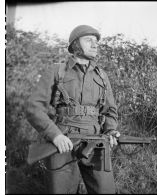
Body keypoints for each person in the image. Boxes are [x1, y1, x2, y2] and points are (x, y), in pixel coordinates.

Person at [26, 24, 120, 194]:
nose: (95, 44)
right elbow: (34, 107)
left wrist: (111, 131)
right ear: (75, 44)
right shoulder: (56, 71)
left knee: (106, 190)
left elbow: (110, 111)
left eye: (96, 41)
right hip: (63, 142)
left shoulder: (102, 75)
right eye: (88, 40)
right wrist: (55, 136)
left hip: (95, 142)